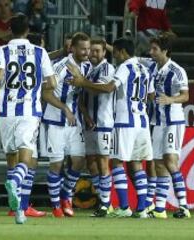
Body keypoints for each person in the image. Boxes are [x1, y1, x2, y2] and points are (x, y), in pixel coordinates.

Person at [67, 38, 153, 218]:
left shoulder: (123, 67)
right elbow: (151, 95)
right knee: (136, 163)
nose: (115, 55)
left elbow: (108, 88)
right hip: (142, 121)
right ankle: (142, 208)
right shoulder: (144, 68)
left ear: (121, 52)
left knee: (115, 162)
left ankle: (122, 206)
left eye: (115, 51)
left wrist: (82, 82)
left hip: (124, 121)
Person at [0, 13, 56, 224]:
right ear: (27, 30)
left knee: (11, 159)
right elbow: (51, 83)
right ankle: (15, 183)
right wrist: (33, 87)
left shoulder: (2, 50)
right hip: (29, 112)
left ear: (10, 30)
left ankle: (20, 212)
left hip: (7, 112)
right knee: (27, 156)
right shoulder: (40, 52)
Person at [42, 32, 91, 218]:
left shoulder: (85, 67)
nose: (86, 52)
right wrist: (64, 109)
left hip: (74, 121)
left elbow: (78, 95)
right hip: (56, 120)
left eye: (88, 48)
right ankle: (56, 206)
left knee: (79, 161)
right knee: (56, 164)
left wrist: (85, 115)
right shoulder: (60, 67)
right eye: (83, 49)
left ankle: (66, 196)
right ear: (73, 49)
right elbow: (46, 94)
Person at [146, 35, 191, 219]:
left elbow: (185, 96)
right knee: (158, 164)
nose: (151, 52)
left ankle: (184, 206)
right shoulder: (151, 67)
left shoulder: (177, 71)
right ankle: (159, 208)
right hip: (157, 122)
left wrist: (170, 99)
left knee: (170, 160)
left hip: (174, 121)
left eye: (155, 49)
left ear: (165, 51)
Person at [82, 38, 116, 217]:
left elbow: (102, 89)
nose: (93, 54)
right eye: (91, 51)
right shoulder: (88, 69)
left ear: (104, 52)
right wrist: (86, 115)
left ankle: (106, 203)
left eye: (97, 51)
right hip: (89, 123)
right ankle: (102, 197)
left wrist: (81, 82)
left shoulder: (108, 68)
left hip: (103, 122)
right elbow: (83, 96)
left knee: (103, 161)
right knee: (90, 161)